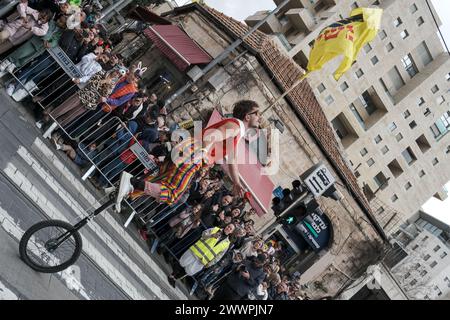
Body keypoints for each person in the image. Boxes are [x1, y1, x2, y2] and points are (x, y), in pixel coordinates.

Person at [114, 100, 262, 212]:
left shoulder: (237, 130)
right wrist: (203, 153)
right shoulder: (236, 126)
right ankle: (130, 181)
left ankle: (117, 192)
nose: (260, 118)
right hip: (194, 153)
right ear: (247, 116)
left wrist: (236, 183)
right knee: (173, 192)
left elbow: (233, 161)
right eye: (257, 114)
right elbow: (211, 137)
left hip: (191, 150)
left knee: (159, 178)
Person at [167, 223, 236, 288]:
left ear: (231, 232)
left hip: (204, 260)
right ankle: (172, 275)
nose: (228, 228)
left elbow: (219, 256)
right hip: (196, 251)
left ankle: (175, 279)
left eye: (230, 229)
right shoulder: (215, 229)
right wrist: (211, 235)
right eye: (228, 226)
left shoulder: (227, 243)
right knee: (182, 263)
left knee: (189, 271)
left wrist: (210, 263)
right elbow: (203, 234)